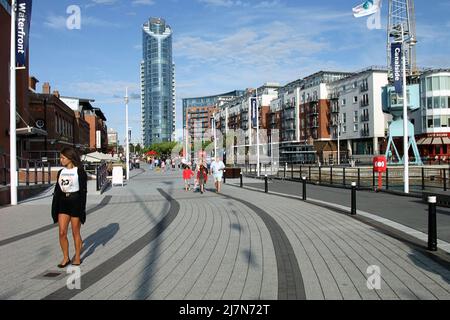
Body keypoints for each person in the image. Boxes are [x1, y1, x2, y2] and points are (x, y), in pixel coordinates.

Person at [51, 147, 88, 268]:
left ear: (70, 158)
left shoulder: (80, 172)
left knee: (75, 232)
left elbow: (83, 191)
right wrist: (55, 206)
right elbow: (57, 190)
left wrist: (82, 209)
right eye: (60, 157)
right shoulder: (60, 172)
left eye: (63, 157)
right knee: (62, 232)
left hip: (75, 202)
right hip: (63, 202)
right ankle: (66, 257)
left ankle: (77, 257)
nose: (60, 160)